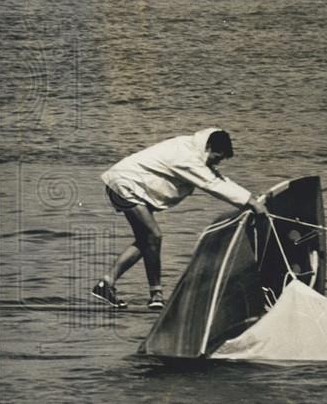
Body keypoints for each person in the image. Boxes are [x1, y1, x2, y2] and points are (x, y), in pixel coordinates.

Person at [93, 129, 268, 310]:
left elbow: (216, 178)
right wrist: (251, 203)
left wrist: (251, 200)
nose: (216, 163)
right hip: (125, 184)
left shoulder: (194, 150)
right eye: (216, 158)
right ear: (208, 147)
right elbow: (212, 184)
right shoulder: (188, 157)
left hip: (130, 185)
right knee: (154, 236)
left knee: (146, 240)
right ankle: (156, 295)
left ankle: (106, 284)